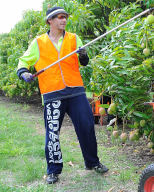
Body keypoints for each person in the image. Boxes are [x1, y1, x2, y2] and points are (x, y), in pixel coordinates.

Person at [17, 6, 108, 184]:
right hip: (52, 93)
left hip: (75, 91)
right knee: (52, 133)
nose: (64, 19)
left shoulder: (74, 38)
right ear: (49, 21)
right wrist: (23, 73)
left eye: (65, 17)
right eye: (60, 17)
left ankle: (92, 162)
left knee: (87, 126)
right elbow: (23, 62)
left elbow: (84, 62)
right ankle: (53, 170)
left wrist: (83, 55)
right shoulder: (38, 42)